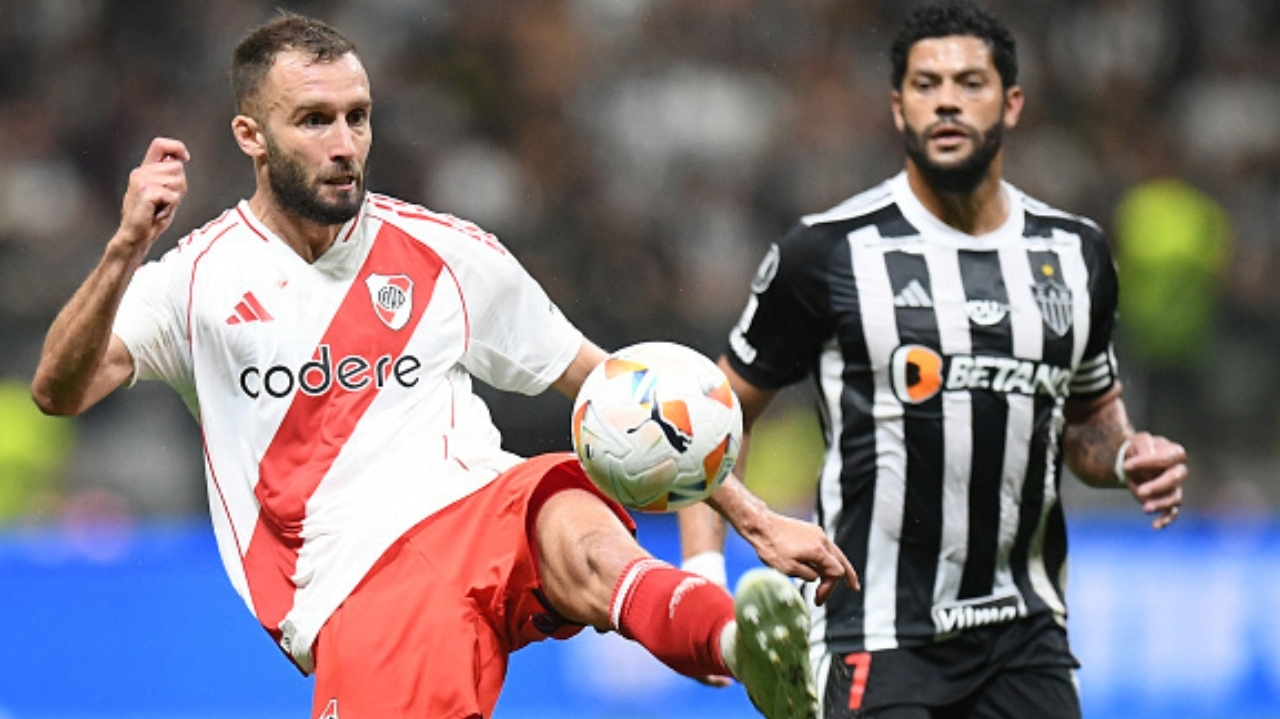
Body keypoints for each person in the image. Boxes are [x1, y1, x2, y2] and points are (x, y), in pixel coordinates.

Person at [29, 13, 856, 719]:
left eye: (358, 116)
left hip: (479, 503)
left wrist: (755, 518)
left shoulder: (448, 255)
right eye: (315, 120)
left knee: (578, 523)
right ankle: (720, 639)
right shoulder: (195, 280)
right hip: (356, 585)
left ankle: (736, 643)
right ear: (251, 135)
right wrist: (125, 247)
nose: (346, 143)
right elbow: (59, 390)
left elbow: (631, 398)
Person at [677, 2, 1189, 718]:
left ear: (1011, 103)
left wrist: (1131, 454)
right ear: (897, 108)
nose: (946, 98)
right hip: (876, 632)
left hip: (1027, 631)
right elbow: (712, 415)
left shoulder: (1075, 255)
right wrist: (704, 575)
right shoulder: (828, 253)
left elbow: (1089, 423)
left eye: (970, 81)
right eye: (925, 84)